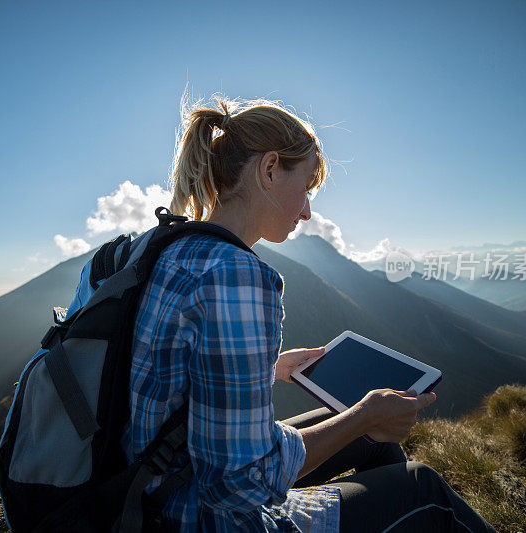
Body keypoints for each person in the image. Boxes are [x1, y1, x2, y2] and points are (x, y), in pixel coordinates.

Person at [118, 95, 496, 532]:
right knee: (425, 490)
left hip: (139, 488)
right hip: (193, 516)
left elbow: (154, 367)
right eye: (305, 189)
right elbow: (240, 485)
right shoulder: (236, 274)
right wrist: (364, 415)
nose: (306, 211)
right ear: (270, 169)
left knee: (373, 444)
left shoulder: (157, 247)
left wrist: (267, 368)